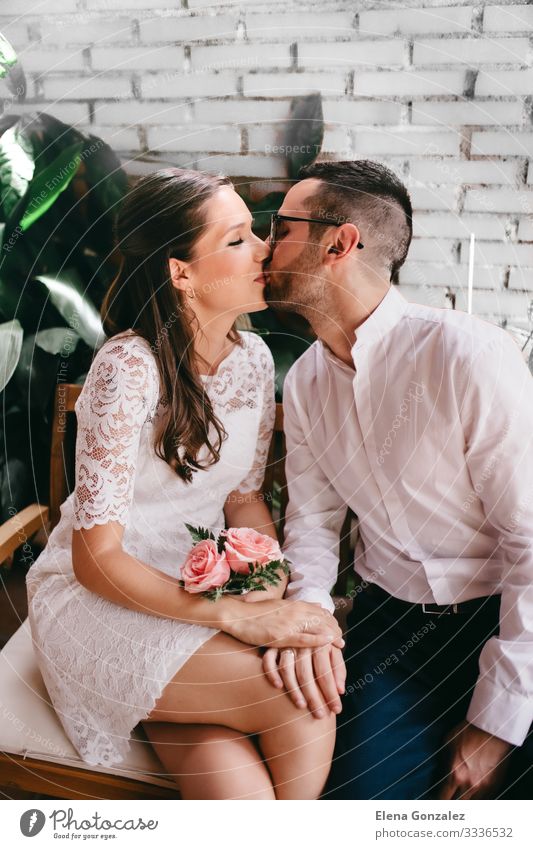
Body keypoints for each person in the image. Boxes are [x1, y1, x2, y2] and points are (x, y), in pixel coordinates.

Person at [25, 167, 345, 801]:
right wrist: (234, 617)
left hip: (199, 589)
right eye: (235, 240)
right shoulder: (128, 367)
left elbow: (244, 499)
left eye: (256, 233)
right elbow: (97, 560)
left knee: (243, 803)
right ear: (181, 273)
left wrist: (267, 587)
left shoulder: (253, 360)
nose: (263, 250)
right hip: (101, 605)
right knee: (303, 699)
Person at [261, 159, 533, 799]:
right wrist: (311, 615)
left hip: (508, 621)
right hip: (390, 633)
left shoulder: (469, 357)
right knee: (357, 809)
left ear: (339, 243)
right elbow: (313, 522)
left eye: (281, 227)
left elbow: (530, 542)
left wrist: (495, 723)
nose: (266, 246)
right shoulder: (304, 381)